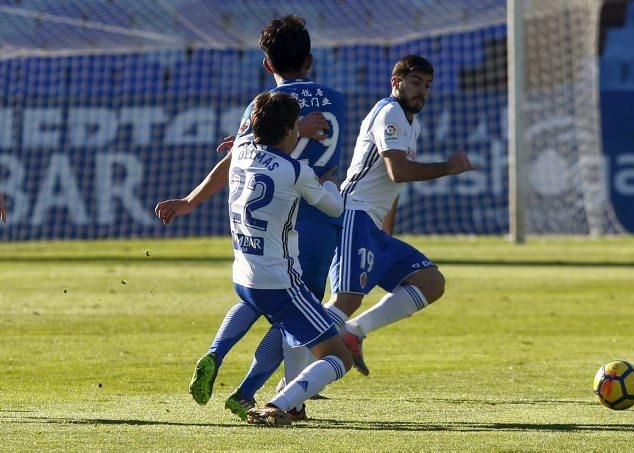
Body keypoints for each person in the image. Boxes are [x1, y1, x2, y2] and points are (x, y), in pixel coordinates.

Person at [154, 15, 347, 420]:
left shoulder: (260, 107)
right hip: (312, 218)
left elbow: (238, 157)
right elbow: (317, 176)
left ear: (266, 64)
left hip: (262, 233)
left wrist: (190, 200)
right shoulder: (334, 98)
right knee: (297, 313)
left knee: (256, 297)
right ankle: (285, 398)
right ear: (309, 60)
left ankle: (221, 357)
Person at [327, 55, 476, 375]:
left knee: (430, 281)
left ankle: (353, 332)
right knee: (344, 301)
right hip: (354, 213)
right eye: (416, 83)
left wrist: (385, 234)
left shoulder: (413, 122)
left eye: (428, 86)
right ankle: (289, 384)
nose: (422, 91)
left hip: (373, 226)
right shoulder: (389, 112)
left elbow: (391, 185)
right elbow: (398, 171)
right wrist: (449, 168)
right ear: (397, 83)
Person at [224, 91, 351, 426]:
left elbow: (253, 139)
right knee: (339, 356)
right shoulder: (296, 170)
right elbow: (334, 207)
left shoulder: (240, 151)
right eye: (296, 126)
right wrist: (334, 186)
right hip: (282, 282)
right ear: (290, 130)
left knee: (292, 331)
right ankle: (278, 404)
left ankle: (277, 400)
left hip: (244, 278)